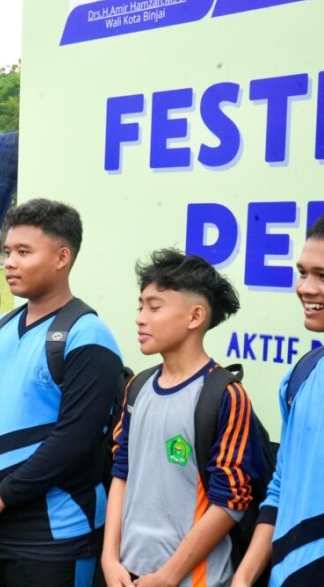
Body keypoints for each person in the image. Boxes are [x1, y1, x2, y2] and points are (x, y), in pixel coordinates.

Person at [0, 199, 123, 586]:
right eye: (8, 251)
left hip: (55, 538)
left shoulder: (88, 334)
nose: (10, 262)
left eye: (24, 252)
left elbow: (73, 440)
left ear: (62, 257)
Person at [101, 249, 266, 587]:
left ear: (195, 317)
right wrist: (109, 558)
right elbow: (121, 471)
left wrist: (168, 576)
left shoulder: (224, 395)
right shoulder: (138, 386)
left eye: (155, 306)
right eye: (140, 306)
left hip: (192, 579)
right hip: (127, 575)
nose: (140, 318)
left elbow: (230, 502)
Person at [231, 216, 324, 586]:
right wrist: (244, 577)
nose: (306, 288)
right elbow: (281, 485)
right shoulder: (301, 375)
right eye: (302, 272)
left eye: (322, 276)